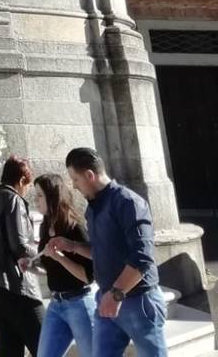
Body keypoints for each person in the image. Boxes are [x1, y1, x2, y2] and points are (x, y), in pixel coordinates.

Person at [49, 148, 167, 357]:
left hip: (138, 301)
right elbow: (103, 251)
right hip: (107, 300)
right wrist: (73, 246)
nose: (74, 187)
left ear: (89, 175)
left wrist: (116, 294)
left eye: (75, 180)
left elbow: (142, 257)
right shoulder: (93, 208)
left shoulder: (128, 202)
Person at [0, 155, 45, 356]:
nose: (28, 189)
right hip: (15, 285)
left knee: (9, 348)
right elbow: (20, 244)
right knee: (45, 345)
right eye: (29, 185)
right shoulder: (13, 199)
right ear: (22, 179)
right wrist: (46, 259)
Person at [33, 173, 96, 357]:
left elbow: (87, 276)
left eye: (39, 195)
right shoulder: (46, 227)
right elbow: (51, 270)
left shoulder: (75, 228)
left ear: (52, 197)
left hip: (80, 303)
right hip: (56, 304)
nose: (36, 200)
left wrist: (61, 257)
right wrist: (29, 268)